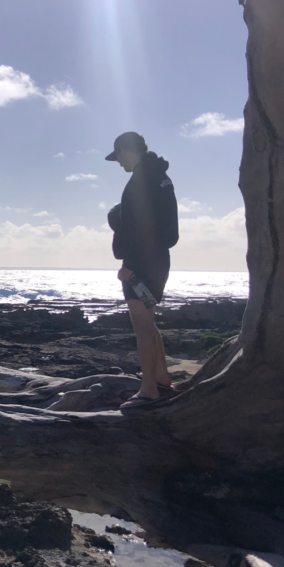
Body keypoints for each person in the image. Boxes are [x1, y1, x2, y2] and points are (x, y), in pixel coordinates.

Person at [104, 131, 179, 408]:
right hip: (159, 259)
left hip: (141, 263)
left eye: (118, 156)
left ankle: (149, 389)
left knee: (142, 327)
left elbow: (139, 226)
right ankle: (162, 380)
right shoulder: (160, 176)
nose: (118, 162)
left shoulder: (140, 180)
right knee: (150, 322)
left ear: (125, 150)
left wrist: (129, 267)